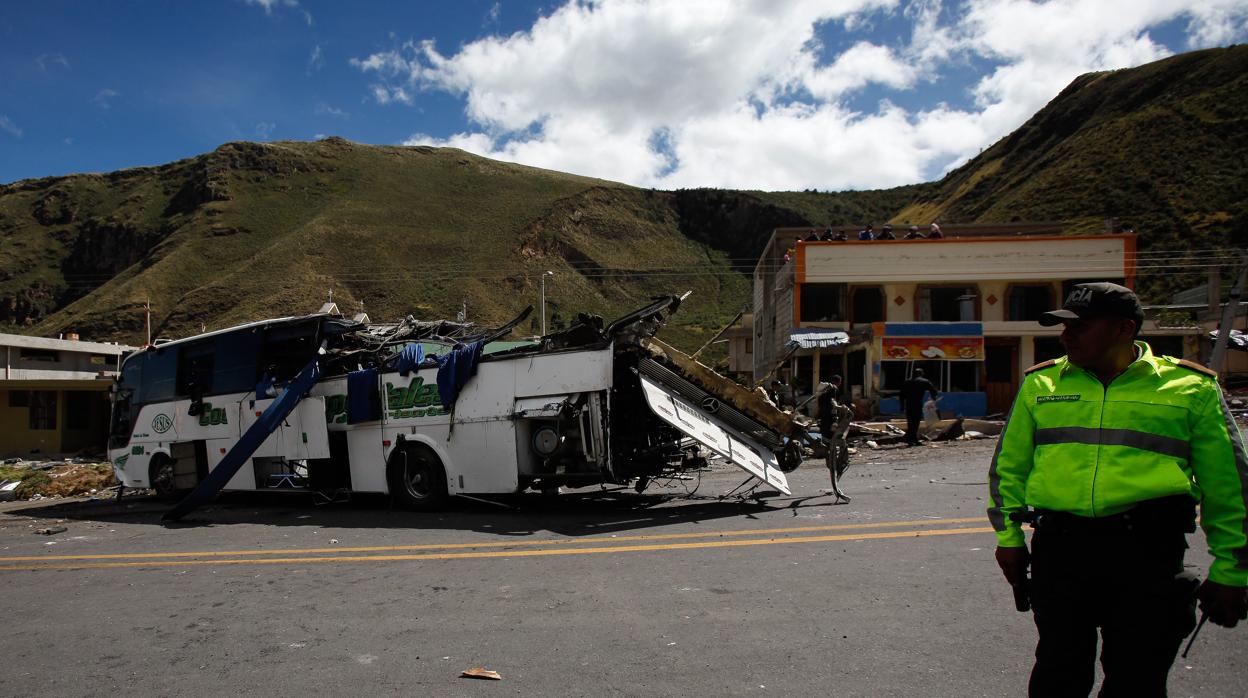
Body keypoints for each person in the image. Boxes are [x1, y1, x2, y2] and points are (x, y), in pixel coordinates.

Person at [988, 282, 1248, 697]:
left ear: (1125, 329)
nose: (1066, 335)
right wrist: (1009, 539)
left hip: (1146, 554)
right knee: (1057, 671)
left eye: (1081, 326)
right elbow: (1007, 469)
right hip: (1062, 550)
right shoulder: (1042, 385)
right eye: (1064, 327)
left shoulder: (1190, 389)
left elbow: (1229, 487)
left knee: (1136, 677)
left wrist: (1232, 569)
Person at [900, 368, 939, 446]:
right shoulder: (924, 381)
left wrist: (902, 406)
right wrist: (933, 398)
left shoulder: (907, 382)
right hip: (917, 404)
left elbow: (901, 395)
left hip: (908, 404)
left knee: (910, 422)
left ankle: (912, 439)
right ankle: (912, 439)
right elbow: (933, 391)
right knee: (916, 422)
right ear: (921, 374)